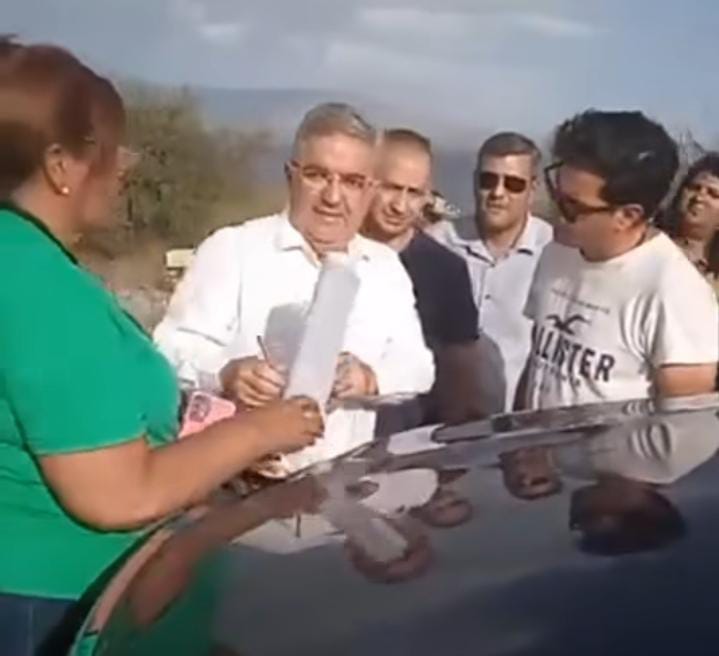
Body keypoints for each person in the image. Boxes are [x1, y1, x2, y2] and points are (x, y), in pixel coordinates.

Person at [0, 41, 323, 655]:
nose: (124, 166)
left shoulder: (19, 258)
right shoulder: (40, 287)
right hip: (47, 611)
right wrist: (263, 430)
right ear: (61, 165)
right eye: (110, 147)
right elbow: (120, 493)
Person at [154, 103, 435, 471]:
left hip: (338, 487)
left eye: (351, 181)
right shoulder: (233, 250)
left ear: (368, 189)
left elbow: (419, 367)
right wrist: (225, 374)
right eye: (318, 176)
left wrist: (369, 378)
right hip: (237, 484)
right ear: (291, 175)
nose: (333, 197)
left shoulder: (385, 269)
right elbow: (168, 351)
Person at [518, 110, 719, 411]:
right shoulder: (557, 250)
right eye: (554, 189)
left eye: (571, 206)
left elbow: (683, 428)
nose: (556, 212)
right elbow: (537, 364)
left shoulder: (677, 296)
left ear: (627, 216)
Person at [362, 128, 485, 424]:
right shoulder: (334, 253)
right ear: (367, 180)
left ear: (428, 196)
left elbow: (460, 373)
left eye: (414, 193)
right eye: (391, 187)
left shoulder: (446, 270)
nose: (400, 205)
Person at [429, 132, 553, 413]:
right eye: (488, 180)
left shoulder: (554, 255)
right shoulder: (437, 243)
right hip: (435, 421)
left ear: (532, 189)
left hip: (512, 426)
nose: (498, 193)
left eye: (513, 184)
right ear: (475, 181)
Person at [660, 152, 719, 295]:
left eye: (712, 194)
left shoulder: (714, 283)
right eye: (695, 188)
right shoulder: (643, 241)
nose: (699, 197)